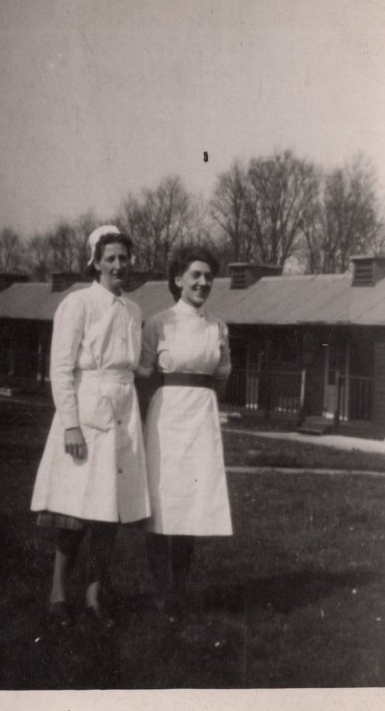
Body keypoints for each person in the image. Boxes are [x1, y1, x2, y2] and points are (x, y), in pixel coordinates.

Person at [31, 225, 150, 630]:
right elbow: (61, 369)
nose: (119, 265)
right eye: (111, 258)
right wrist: (71, 426)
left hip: (123, 413)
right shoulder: (78, 303)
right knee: (75, 514)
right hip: (87, 413)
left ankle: (94, 596)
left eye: (124, 257)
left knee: (108, 515)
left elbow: (136, 366)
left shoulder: (134, 311)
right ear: (95, 263)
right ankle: (58, 594)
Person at [137, 246, 233, 620]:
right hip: (167, 419)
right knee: (164, 505)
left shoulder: (218, 327)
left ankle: (180, 590)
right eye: (195, 275)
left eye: (208, 276)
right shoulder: (158, 324)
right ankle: (161, 592)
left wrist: (206, 410)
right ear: (177, 279)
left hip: (202, 421)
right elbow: (144, 375)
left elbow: (222, 375)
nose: (203, 282)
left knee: (191, 508)